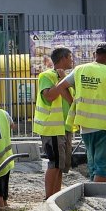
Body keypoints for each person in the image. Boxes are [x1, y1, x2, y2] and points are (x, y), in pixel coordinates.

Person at [59, 43, 106, 182]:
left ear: (94, 54)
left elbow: (61, 87)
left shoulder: (80, 69)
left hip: (85, 127)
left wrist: (73, 102)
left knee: (93, 166)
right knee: (102, 168)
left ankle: (93, 191)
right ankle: (98, 193)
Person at [33, 47, 77, 199]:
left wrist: (64, 80)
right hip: (52, 127)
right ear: (63, 58)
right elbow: (49, 96)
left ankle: (55, 197)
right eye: (70, 57)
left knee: (60, 165)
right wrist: (62, 81)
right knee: (54, 163)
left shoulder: (65, 78)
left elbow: (70, 100)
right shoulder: (47, 76)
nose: (72, 60)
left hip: (65, 127)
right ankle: (49, 197)